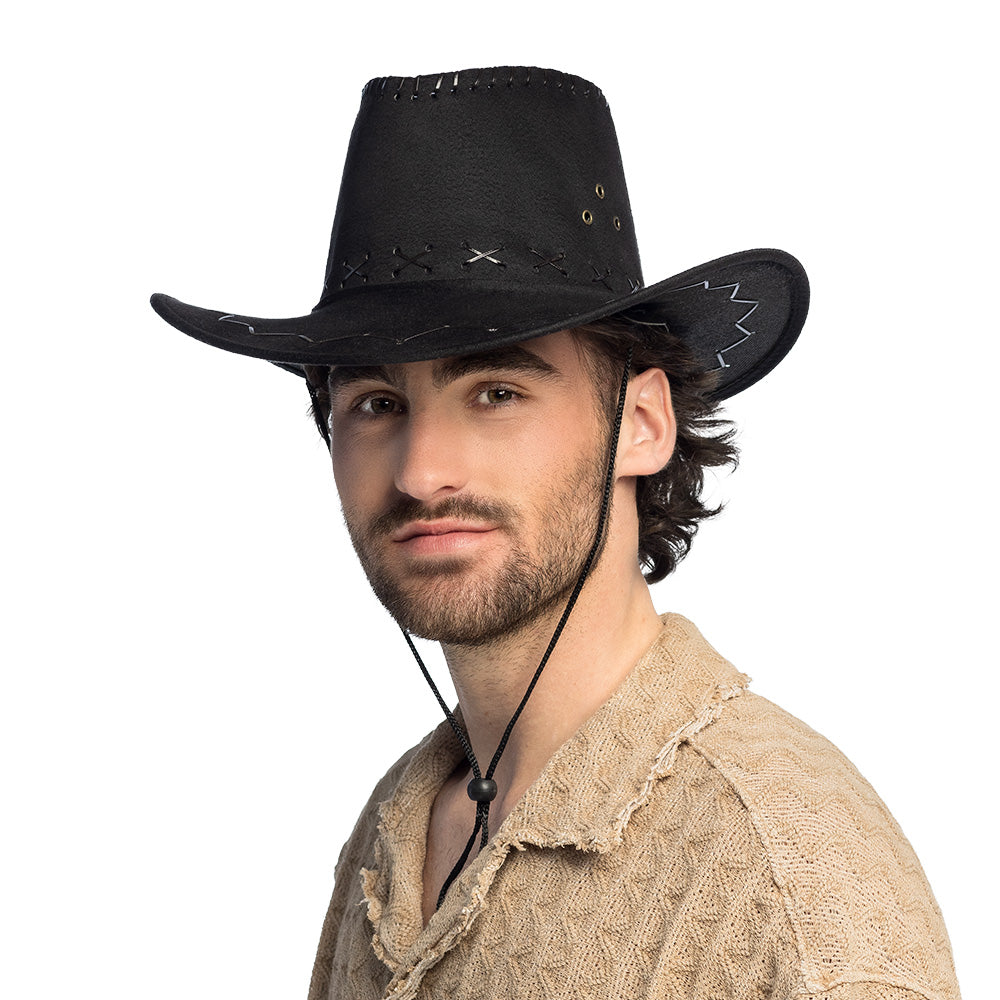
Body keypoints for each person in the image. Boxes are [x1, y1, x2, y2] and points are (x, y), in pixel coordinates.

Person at [151, 67, 961, 1000]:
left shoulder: (784, 881)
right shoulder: (397, 828)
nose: (420, 472)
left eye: (497, 392)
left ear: (641, 424)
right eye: (375, 403)